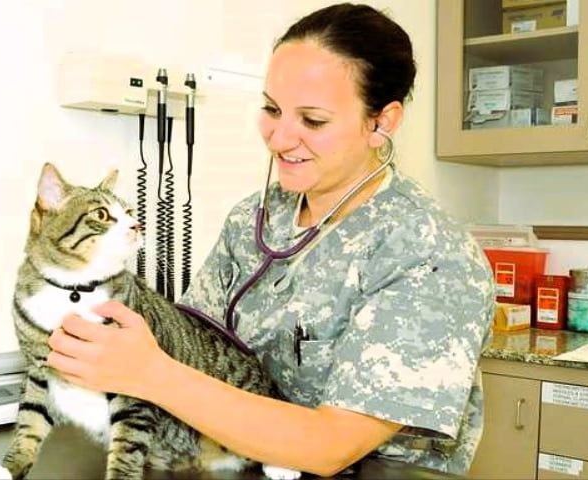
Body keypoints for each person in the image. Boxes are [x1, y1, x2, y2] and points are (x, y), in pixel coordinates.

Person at [47, 3, 494, 476]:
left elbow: (332, 446)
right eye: (272, 110)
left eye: (313, 121)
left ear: (382, 122)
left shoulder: (430, 255)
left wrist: (150, 372)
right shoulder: (253, 220)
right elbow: (192, 352)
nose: (279, 138)